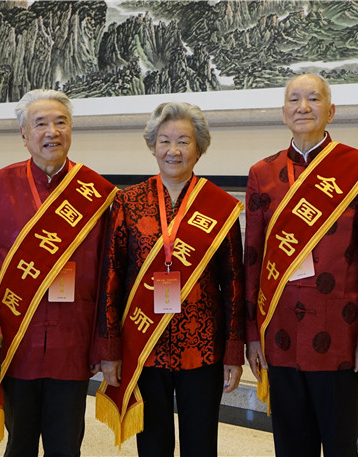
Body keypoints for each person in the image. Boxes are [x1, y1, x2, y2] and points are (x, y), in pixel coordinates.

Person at [0, 89, 117, 457]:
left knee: (66, 446)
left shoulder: (97, 193)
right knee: (20, 444)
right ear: (23, 133)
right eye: (41, 123)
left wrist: (105, 342)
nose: (52, 132)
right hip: (17, 339)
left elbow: (110, 277)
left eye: (61, 122)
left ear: (71, 129)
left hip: (73, 343)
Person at [244, 74, 358, 457]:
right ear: (284, 112)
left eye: (313, 99)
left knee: (340, 445)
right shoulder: (261, 174)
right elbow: (252, 259)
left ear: (331, 111)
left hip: (339, 334)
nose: (303, 107)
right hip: (279, 333)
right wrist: (252, 333)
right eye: (294, 99)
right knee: (291, 446)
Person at [95, 102, 245, 457]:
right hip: (144, 344)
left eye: (183, 141)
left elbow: (233, 284)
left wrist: (233, 351)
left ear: (199, 148)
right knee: (153, 445)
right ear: (152, 146)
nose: (173, 150)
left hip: (203, 347)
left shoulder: (220, 206)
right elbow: (111, 278)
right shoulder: (128, 202)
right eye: (164, 141)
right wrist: (110, 349)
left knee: (201, 444)